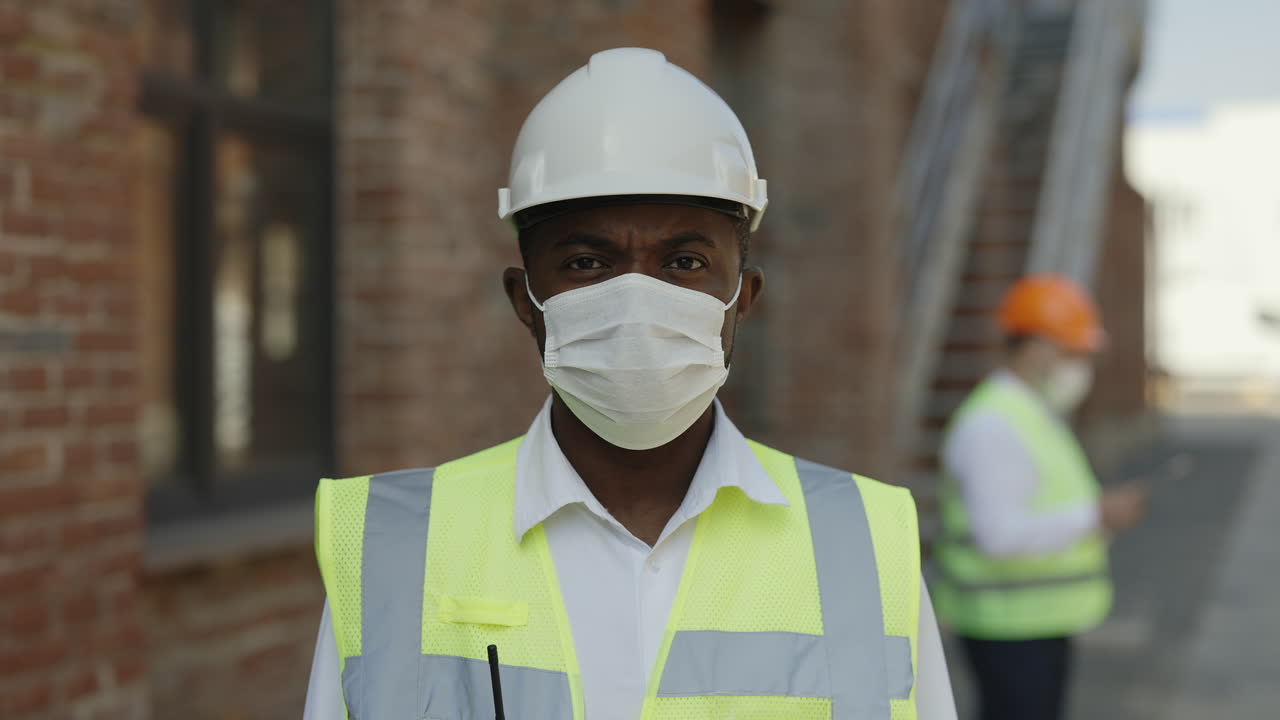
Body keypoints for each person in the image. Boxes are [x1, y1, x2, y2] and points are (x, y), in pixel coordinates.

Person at [303, 47, 956, 720]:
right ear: (525, 299)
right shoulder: (396, 551)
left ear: (744, 297)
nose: (636, 299)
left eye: (684, 261)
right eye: (587, 262)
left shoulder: (863, 543)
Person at [931, 274, 1147, 720]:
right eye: (1073, 353)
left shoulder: (1028, 413)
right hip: (1008, 628)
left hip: (1030, 623)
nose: (1081, 366)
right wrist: (1094, 514)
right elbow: (998, 536)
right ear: (1035, 349)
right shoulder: (993, 425)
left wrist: (1097, 516)